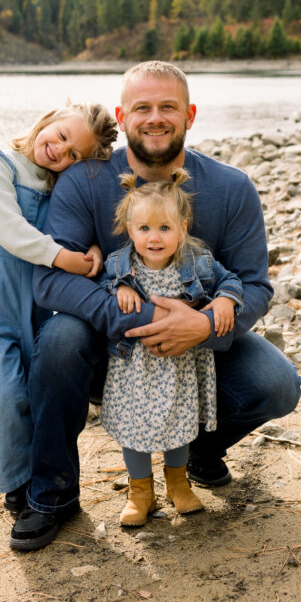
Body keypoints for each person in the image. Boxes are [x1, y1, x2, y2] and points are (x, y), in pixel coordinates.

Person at [10, 61, 301, 552]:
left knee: (277, 385)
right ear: (123, 117)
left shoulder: (232, 188)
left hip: (197, 352)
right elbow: (52, 282)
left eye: (168, 107)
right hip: (113, 350)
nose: (155, 117)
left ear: (189, 115)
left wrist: (205, 325)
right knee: (59, 339)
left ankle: (194, 453)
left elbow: (254, 286)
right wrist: (145, 320)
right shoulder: (85, 180)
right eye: (142, 107)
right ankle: (52, 495)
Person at [0, 102, 118, 514]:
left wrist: (94, 247)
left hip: (35, 304)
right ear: (47, 120)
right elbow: (10, 230)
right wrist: (63, 258)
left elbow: (80, 226)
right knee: (1, 395)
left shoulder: (59, 185)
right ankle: (15, 483)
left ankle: (40, 480)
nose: (59, 153)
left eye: (73, 156)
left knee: (33, 390)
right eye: (61, 136)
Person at [101, 169, 243, 526]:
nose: (154, 237)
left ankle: (177, 483)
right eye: (144, 229)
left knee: (178, 422)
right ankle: (140, 493)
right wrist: (120, 288)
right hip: (134, 365)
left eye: (164, 228)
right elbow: (104, 282)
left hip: (181, 363)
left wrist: (225, 300)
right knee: (133, 427)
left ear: (183, 227)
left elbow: (232, 280)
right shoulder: (121, 264)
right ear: (130, 229)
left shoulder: (197, 261)